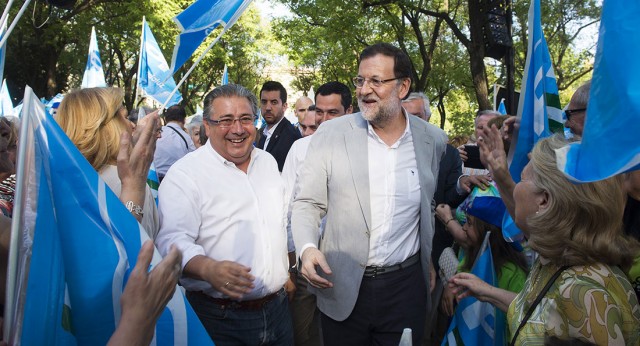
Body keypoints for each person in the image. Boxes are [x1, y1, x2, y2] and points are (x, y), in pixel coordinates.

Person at [292, 43, 447, 345]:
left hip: (405, 289)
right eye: (360, 80)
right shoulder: (331, 134)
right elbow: (307, 203)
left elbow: (425, 203)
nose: (364, 90)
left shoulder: (432, 140)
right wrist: (308, 248)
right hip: (343, 286)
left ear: (403, 87)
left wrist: (426, 258)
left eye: (376, 81)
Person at [449, 134, 640, 345]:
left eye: (521, 179)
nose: (517, 188)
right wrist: (488, 292)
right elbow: (538, 315)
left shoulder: (583, 293)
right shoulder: (555, 259)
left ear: (544, 201)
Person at [155, 84, 293, 345]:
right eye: (226, 121)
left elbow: (281, 224)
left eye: (245, 119)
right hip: (220, 320)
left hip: (279, 311)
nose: (238, 130)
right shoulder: (185, 175)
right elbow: (172, 240)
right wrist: (208, 268)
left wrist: (287, 273)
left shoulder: (268, 163)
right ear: (207, 126)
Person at [282, 81, 353, 346]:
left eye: (332, 112)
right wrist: (291, 259)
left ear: (349, 111)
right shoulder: (300, 149)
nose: (324, 119)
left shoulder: (364, 152)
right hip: (305, 262)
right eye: (319, 112)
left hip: (348, 265)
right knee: (303, 335)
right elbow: (288, 205)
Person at [56, 88, 161, 239]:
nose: (132, 125)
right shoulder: (128, 183)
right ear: (105, 128)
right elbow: (140, 248)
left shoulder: (57, 180)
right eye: (124, 117)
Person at [256, 81, 302, 171]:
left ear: (284, 106)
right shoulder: (262, 133)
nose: (268, 107)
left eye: (274, 102)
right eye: (264, 102)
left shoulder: (291, 136)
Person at [153, 105, 196, 181]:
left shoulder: (155, 134)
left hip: (155, 180)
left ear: (165, 119)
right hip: (178, 181)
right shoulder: (186, 138)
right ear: (184, 120)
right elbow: (194, 161)